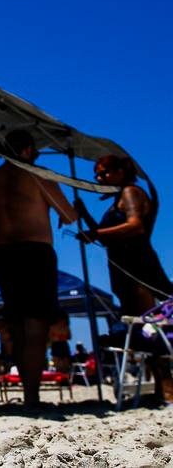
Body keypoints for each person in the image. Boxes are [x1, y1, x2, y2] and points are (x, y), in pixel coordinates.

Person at [0, 129, 79, 407]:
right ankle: (32, 396)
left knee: (17, 325)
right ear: (27, 150)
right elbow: (67, 215)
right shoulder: (36, 174)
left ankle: (27, 393)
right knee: (36, 324)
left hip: (4, 254)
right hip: (35, 253)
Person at [78, 154, 173, 402]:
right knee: (141, 335)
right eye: (97, 175)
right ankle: (160, 390)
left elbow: (135, 226)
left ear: (122, 170)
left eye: (105, 173)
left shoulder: (131, 192)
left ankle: (167, 390)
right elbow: (105, 235)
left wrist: (95, 233)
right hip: (125, 272)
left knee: (151, 332)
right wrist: (85, 216)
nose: (100, 178)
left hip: (139, 271)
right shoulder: (118, 198)